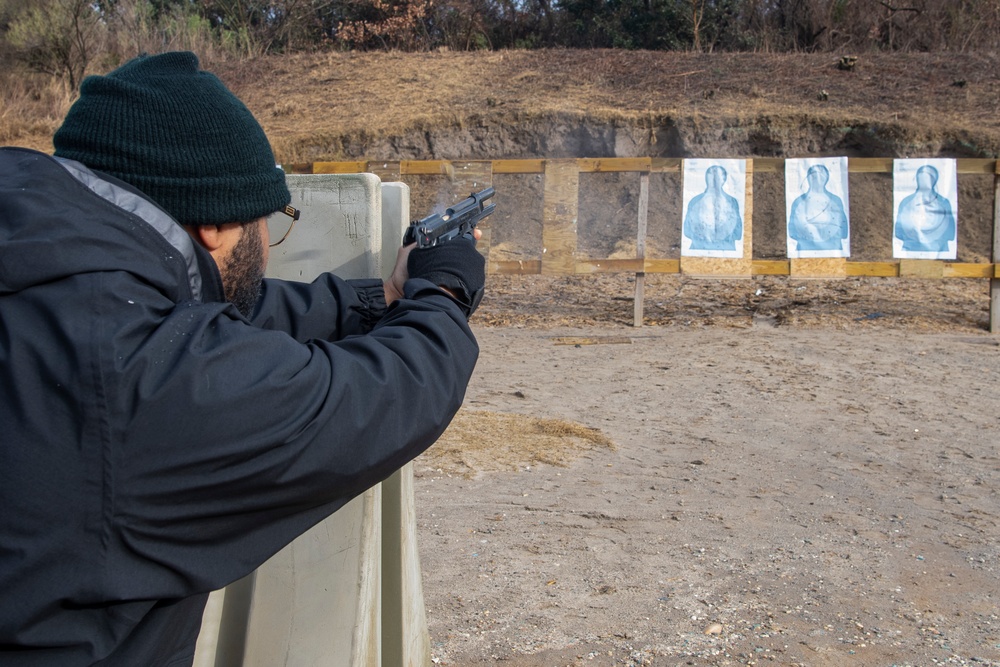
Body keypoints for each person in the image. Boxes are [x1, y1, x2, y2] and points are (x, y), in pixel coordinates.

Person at [0, 51, 484, 665]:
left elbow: (210, 309)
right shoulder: (135, 373)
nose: (268, 244)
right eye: (267, 225)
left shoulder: (50, 267)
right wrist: (443, 296)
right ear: (214, 224)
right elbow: (372, 400)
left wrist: (382, 296)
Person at [894, 164, 956, 253]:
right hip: (912, 248)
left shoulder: (943, 202)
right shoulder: (907, 202)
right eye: (921, 177)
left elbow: (949, 232)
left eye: (927, 177)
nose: (923, 181)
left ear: (933, 180)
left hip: (938, 249)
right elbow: (899, 231)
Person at [788, 164, 849, 253]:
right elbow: (793, 231)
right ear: (808, 178)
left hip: (832, 250)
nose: (817, 178)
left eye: (821, 174)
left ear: (827, 178)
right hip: (806, 250)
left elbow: (843, 230)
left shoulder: (835, 200)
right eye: (814, 175)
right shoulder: (798, 202)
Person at [683, 164, 743, 252]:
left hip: (722, 250)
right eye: (711, 175)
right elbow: (687, 231)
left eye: (717, 176)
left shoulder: (732, 201)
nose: (714, 179)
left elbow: (738, 233)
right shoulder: (695, 201)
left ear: (724, 179)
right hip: (704, 249)